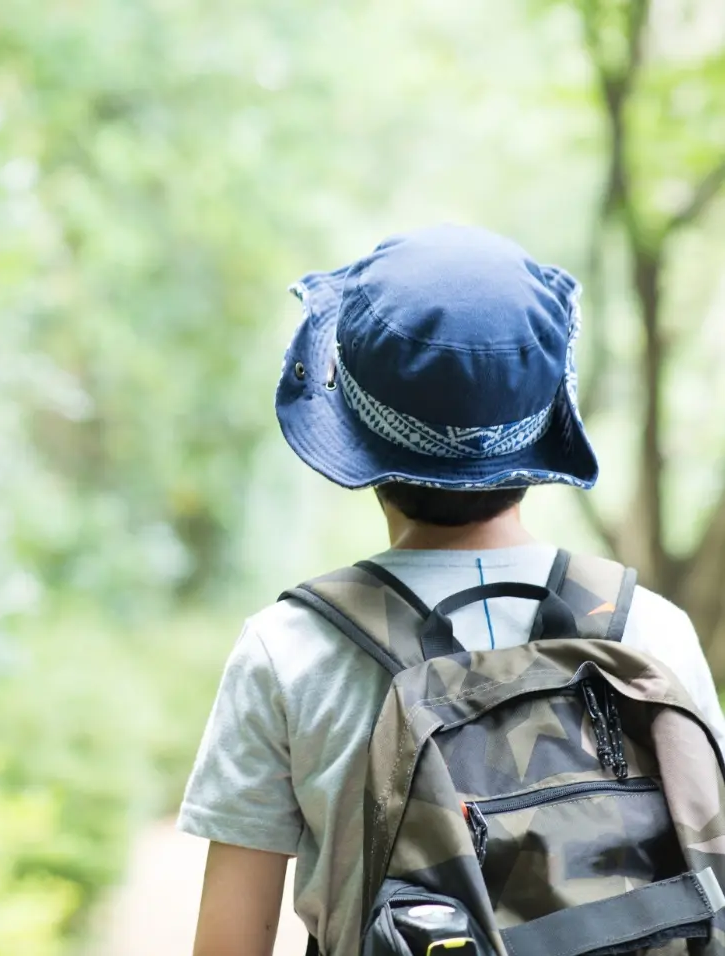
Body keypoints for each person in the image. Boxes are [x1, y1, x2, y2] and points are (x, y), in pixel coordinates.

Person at [179, 224, 725, 956]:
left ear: (355, 433)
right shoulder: (650, 634)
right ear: (544, 426)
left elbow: (228, 943)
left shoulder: (289, 652)